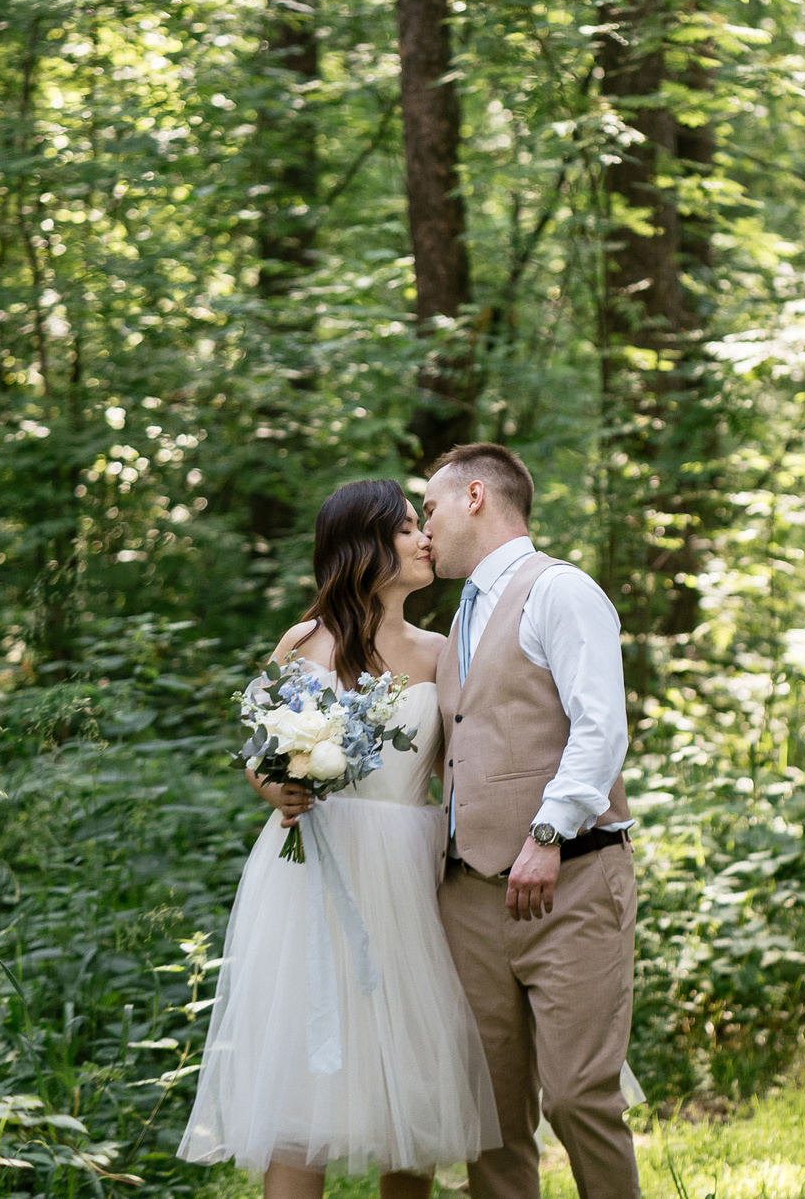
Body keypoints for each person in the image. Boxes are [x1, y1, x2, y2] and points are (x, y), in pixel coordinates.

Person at [178, 479, 499, 1198]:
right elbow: (260, 754)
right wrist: (281, 787)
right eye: (408, 525)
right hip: (313, 869)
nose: (424, 538)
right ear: (364, 543)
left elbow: (459, 773)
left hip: (410, 874)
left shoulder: (444, 652)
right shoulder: (302, 641)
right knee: (301, 1065)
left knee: (408, 1071)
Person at [416, 441, 641, 1199]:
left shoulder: (561, 590)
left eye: (431, 507)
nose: (424, 528)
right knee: (493, 1120)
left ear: (475, 496)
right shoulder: (457, 623)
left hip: (570, 882)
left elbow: (601, 728)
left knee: (579, 1096)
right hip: (470, 899)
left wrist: (546, 833)